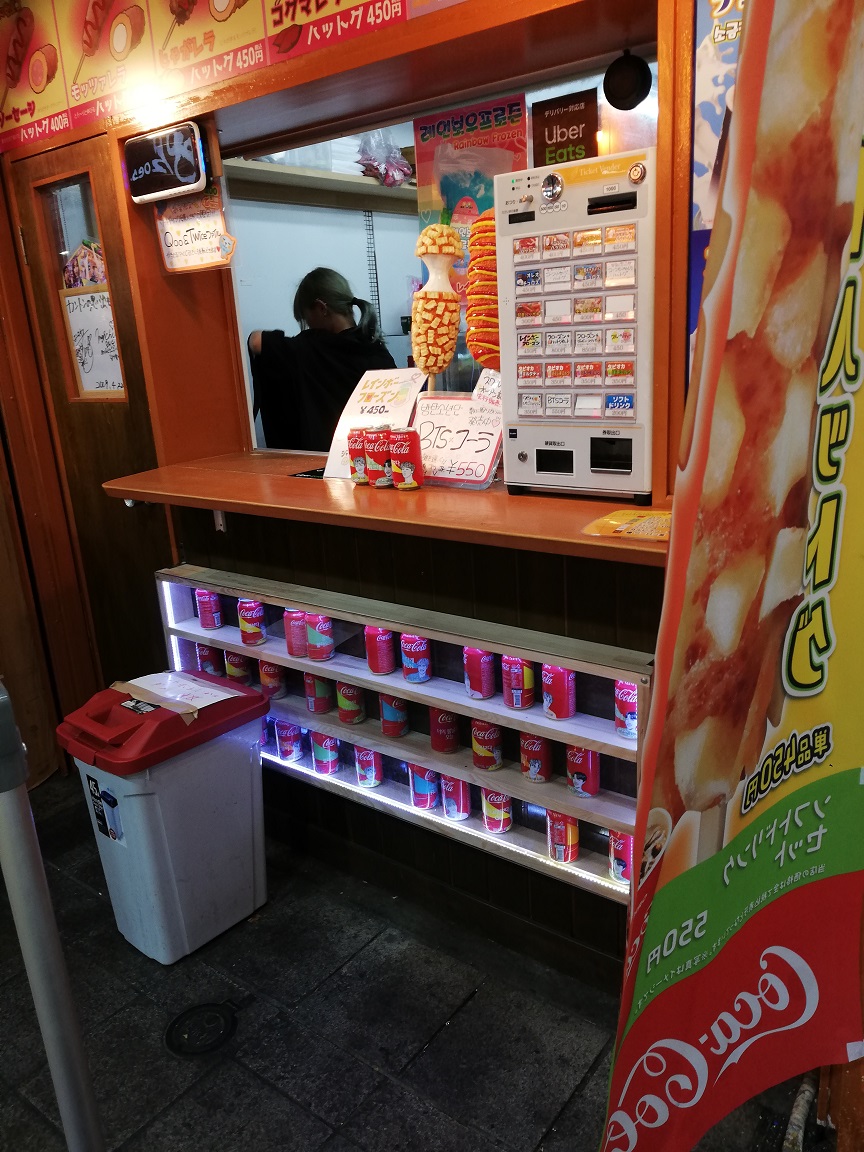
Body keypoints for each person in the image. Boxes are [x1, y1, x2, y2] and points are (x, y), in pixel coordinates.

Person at [248, 267, 397, 450]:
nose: (308, 326)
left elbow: (256, 341)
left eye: (306, 318)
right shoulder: (376, 348)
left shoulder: (312, 349)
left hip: (325, 461)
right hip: (375, 457)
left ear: (321, 308)